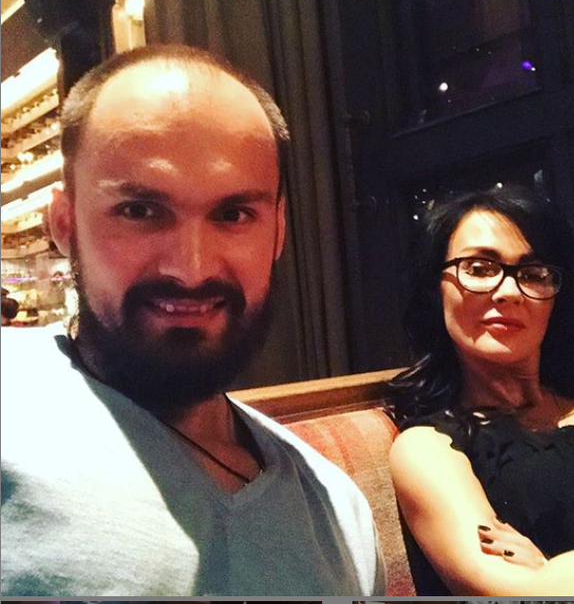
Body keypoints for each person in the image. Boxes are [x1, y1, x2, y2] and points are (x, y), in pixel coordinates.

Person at [1, 44, 384, 596]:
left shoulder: (339, 511)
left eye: (234, 214)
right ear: (64, 223)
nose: (191, 268)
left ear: (278, 231)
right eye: (140, 211)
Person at [388, 185, 574, 595]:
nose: (509, 291)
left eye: (533, 275)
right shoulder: (427, 448)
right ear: (434, 289)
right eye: (479, 268)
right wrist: (552, 584)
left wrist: (560, 571)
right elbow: (523, 594)